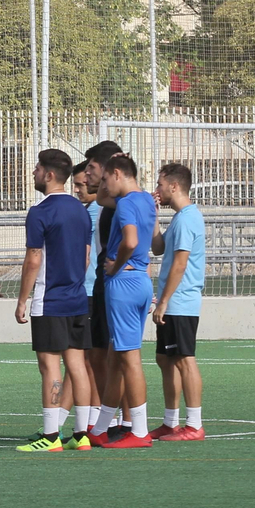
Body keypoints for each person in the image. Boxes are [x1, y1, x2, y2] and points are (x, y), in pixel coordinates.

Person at [14, 149, 95, 453]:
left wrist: (22, 299)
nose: (33, 173)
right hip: (77, 298)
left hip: (49, 301)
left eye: (37, 169)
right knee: (77, 366)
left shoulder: (40, 212)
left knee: (49, 367)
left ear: (48, 175)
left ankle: (50, 437)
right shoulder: (81, 210)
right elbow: (86, 257)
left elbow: (33, 259)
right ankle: (82, 434)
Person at [93, 153, 157, 448]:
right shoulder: (144, 200)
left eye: (106, 177)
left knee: (129, 359)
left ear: (117, 174)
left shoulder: (128, 203)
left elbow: (130, 241)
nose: (102, 184)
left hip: (124, 284)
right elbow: (100, 198)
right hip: (141, 281)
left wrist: (116, 265)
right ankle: (100, 428)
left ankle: (140, 431)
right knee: (116, 358)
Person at [150, 163, 206, 442]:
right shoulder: (180, 218)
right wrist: (153, 216)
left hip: (180, 302)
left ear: (174, 186)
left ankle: (194, 425)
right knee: (165, 359)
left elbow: (180, 265)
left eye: (160, 184)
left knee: (184, 359)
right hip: (173, 302)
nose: (157, 189)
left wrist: (164, 301)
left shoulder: (187, 219)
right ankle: (170, 422)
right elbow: (158, 248)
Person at [80, 140, 123, 434]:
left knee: (121, 355)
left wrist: (117, 267)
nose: (85, 176)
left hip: (116, 283)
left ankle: (129, 421)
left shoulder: (125, 201)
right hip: (100, 284)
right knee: (96, 354)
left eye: (91, 168)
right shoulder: (104, 203)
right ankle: (105, 418)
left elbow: (136, 243)